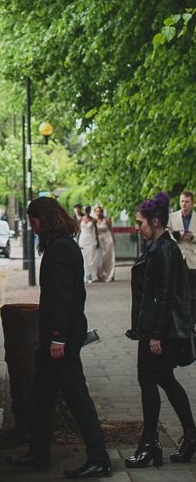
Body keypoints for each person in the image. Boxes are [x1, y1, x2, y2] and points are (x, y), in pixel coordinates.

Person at [5, 197, 111, 479]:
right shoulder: (59, 245)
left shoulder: (62, 249)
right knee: (42, 397)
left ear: (47, 218)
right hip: (54, 340)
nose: (32, 227)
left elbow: (65, 298)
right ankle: (38, 455)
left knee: (78, 399)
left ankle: (100, 459)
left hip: (61, 341)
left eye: (34, 221)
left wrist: (59, 339)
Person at [125, 191, 196, 467]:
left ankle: (150, 443)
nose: (137, 227)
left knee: (149, 380)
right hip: (155, 329)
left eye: (139, 222)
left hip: (159, 332)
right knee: (163, 379)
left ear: (155, 221)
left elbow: (166, 295)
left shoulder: (165, 250)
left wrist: (156, 334)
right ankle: (187, 436)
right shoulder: (158, 247)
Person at [169, 191, 196, 321]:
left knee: (193, 292)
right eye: (182, 201)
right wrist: (176, 235)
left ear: (192, 203)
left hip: (193, 259)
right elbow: (165, 233)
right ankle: (180, 318)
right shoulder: (172, 217)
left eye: (187, 201)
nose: (184, 204)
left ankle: (192, 319)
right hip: (177, 258)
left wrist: (193, 237)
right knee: (178, 290)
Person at [79, 205, 100, 282]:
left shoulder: (93, 220)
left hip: (91, 240)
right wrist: (78, 241)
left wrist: (97, 240)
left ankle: (92, 275)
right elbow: (79, 231)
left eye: (88, 210)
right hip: (83, 239)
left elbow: (96, 231)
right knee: (84, 258)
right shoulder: (81, 219)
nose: (87, 211)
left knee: (91, 258)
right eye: (85, 209)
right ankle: (86, 275)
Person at [94, 206, 115, 282]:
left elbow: (111, 229)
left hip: (107, 238)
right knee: (101, 258)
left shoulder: (107, 219)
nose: (98, 213)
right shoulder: (94, 220)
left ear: (102, 212)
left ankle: (110, 275)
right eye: (96, 211)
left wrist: (113, 239)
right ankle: (101, 275)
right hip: (99, 240)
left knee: (108, 257)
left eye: (99, 211)